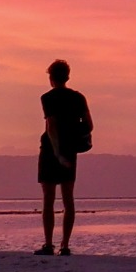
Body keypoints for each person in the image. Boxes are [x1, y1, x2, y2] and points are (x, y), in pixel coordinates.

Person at [37, 59, 92, 256]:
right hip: (69, 148)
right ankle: (65, 245)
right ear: (67, 76)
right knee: (68, 199)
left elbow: (51, 127)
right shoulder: (78, 98)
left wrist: (57, 152)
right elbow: (89, 124)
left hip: (52, 150)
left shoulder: (47, 98)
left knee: (48, 200)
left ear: (51, 78)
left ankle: (49, 244)